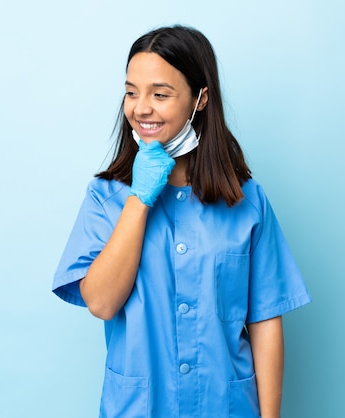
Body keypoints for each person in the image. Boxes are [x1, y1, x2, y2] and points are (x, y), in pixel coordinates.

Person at [52, 25, 311, 418]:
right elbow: (102, 303)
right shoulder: (105, 198)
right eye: (131, 92)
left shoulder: (246, 202)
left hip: (225, 407)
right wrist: (139, 199)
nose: (141, 108)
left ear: (200, 98)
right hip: (139, 407)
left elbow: (265, 322)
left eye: (160, 94)